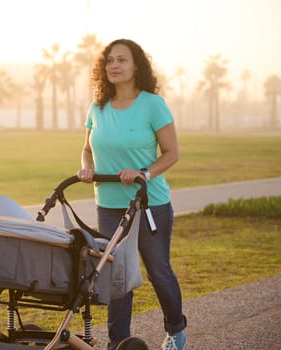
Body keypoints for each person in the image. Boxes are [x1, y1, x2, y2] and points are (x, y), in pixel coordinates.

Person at [77, 39, 187, 350]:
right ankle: (119, 343)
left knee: (157, 271)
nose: (114, 65)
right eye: (109, 60)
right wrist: (86, 169)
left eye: (122, 60)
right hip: (110, 206)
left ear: (136, 65)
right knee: (117, 276)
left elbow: (171, 153)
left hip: (149, 204)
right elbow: (87, 150)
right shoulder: (97, 107)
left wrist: (143, 174)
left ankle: (176, 330)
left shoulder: (152, 104)